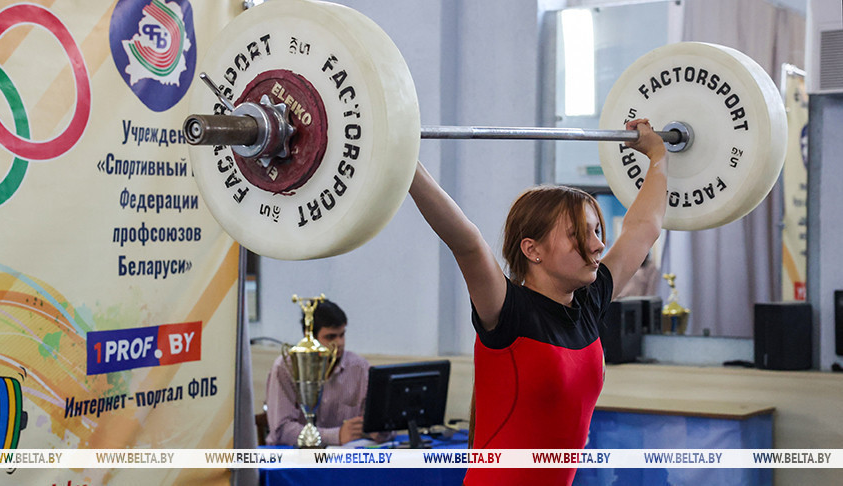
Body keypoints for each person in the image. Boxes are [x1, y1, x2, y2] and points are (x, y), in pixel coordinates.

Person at [408, 119, 667, 485]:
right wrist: (402, 156)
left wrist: (658, 155)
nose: (597, 244)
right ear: (532, 249)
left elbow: (645, 228)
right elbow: (465, 241)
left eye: (596, 230)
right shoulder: (508, 310)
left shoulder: (589, 303)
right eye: (579, 234)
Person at [265, 298, 387, 446]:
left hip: (345, 458)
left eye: (342, 335)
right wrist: (336, 435)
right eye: (330, 337)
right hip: (294, 459)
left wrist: (379, 429)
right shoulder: (286, 368)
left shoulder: (359, 368)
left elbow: (381, 422)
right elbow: (281, 431)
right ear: (309, 336)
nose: (340, 343)